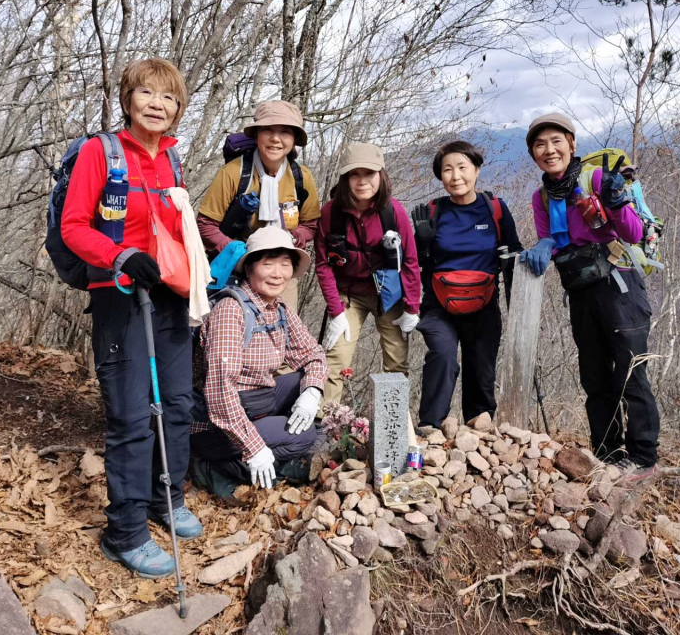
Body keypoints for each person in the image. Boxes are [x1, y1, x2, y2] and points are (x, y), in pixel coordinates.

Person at [61, 57, 202, 580]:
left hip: (167, 294)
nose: (157, 104)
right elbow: (75, 226)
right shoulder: (102, 153)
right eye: (147, 93)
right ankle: (124, 532)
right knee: (129, 415)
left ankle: (167, 499)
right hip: (119, 296)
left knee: (180, 404)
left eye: (169, 97)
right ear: (128, 98)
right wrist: (119, 256)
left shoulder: (172, 161)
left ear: (178, 108)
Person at [522, 112, 659, 484]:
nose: (549, 150)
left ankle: (644, 458)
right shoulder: (542, 196)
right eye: (539, 144)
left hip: (620, 286)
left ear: (571, 143)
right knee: (594, 376)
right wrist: (543, 245)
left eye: (555, 141)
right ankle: (606, 453)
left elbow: (631, 233)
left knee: (630, 372)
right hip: (581, 290)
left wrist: (615, 201)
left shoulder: (596, 178)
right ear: (534, 154)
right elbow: (552, 242)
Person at [190, 226, 326, 497]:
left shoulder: (279, 308)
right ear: (249, 268)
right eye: (268, 264)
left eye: (285, 264)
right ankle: (215, 467)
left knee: (301, 383)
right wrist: (254, 446)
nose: (278, 274)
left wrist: (312, 391)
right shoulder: (231, 311)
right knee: (305, 435)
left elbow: (313, 354)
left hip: (256, 400)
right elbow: (219, 391)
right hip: (215, 422)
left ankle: (267, 454)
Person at [410, 141, 522, 428]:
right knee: (443, 356)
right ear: (440, 176)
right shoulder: (433, 211)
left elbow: (514, 252)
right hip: (439, 306)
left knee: (481, 371)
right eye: (447, 169)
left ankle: (479, 431)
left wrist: (517, 304)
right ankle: (431, 429)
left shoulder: (494, 208)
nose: (455, 176)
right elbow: (417, 265)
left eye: (462, 167)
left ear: (476, 170)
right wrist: (421, 244)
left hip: (484, 306)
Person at [314, 142, 421, 409]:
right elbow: (323, 264)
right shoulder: (330, 213)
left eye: (369, 173)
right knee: (337, 356)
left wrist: (412, 307)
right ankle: (323, 425)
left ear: (380, 176)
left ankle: (391, 424)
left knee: (397, 360)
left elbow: (409, 260)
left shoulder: (392, 212)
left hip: (390, 293)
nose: (362, 181)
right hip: (348, 293)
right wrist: (335, 311)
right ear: (345, 178)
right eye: (354, 174)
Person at [196, 100, 321, 311]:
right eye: (268, 130)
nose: (275, 138)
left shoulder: (301, 177)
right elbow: (205, 224)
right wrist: (240, 254)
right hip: (235, 269)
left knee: (281, 331)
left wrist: (292, 238)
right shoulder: (233, 173)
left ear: (294, 139)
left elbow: (310, 225)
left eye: (285, 132)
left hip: (281, 273)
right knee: (233, 330)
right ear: (256, 135)